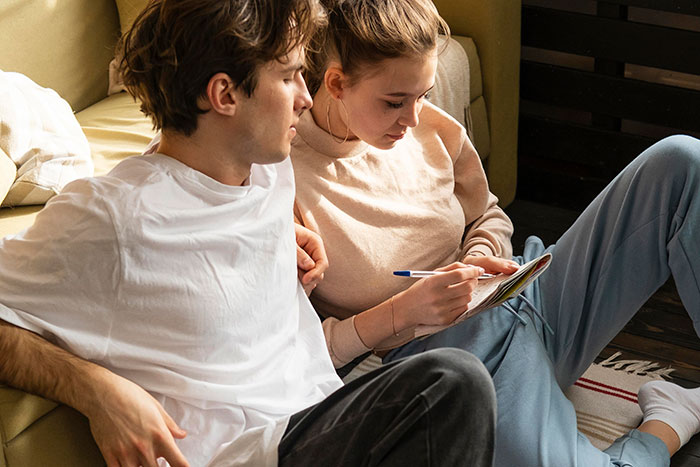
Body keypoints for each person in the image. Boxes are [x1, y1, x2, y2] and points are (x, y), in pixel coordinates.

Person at [0, 1, 499, 466]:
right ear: (224, 95)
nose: (307, 97)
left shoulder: (267, 172)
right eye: (288, 77)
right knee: (452, 384)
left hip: (319, 411)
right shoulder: (113, 217)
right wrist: (94, 390)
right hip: (249, 455)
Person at [289, 0, 700, 466]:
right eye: (394, 102)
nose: (414, 118)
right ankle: (668, 422)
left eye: (422, 95)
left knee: (683, 161)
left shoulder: (428, 128)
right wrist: (401, 314)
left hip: (525, 293)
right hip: (456, 359)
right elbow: (304, 353)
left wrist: (480, 254)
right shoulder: (286, 183)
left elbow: (487, 213)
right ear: (337, 82)